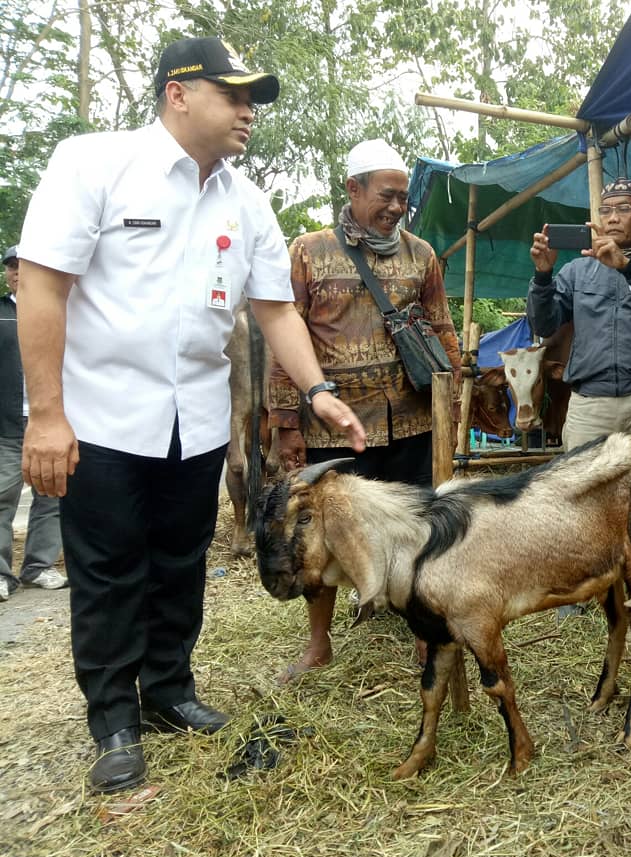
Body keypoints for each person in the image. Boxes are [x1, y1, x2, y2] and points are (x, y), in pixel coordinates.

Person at [16, 37, 366, 795]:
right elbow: (40, 285)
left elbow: (274, 309)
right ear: (178, 94)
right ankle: (113, 718)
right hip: (102, 419)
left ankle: (169, 690)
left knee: (180, 563)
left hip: (197, 423)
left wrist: (317, 391)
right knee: (109, 570)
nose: (248, 112)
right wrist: (46, 415)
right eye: (233, 95)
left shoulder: (245, 201)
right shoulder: (94, 163)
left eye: (252, 100)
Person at [268, 138, 461, 684]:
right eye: (386, 195)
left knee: (418, 529)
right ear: (352, 190)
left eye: (403, 198)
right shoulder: (308, 251)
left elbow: (443, 328)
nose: (397, 207)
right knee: (322, 536)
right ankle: (319, 644)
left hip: (414, 421)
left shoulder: (422, 255)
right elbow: (287, 342)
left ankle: (426, 638)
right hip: (335, 428)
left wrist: (455, 395)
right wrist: (286, 425)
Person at [526, 177, 631, 627]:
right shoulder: (576, 272)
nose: (614, 217)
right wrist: (543, 276)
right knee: (578, 493)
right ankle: (575, 589)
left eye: (625, 209)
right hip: (590, 400)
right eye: (607, 210)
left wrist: (627, 267)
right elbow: (544, 323)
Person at [0, 246, 65, 602]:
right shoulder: (1, 313)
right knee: (2, 497)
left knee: (51, 495)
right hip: (7, 423)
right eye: (11, 267)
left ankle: (39, 566)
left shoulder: (62, 312)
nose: (17, 272)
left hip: (54, 420)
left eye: (23, 266)